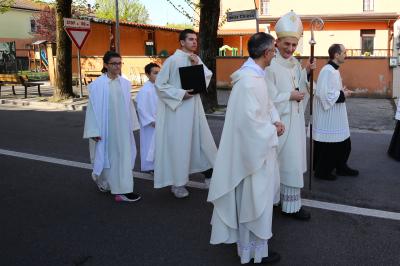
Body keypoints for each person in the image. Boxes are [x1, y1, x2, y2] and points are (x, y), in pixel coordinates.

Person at [208, 32, 283, 264]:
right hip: (252, 155)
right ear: (266, 53)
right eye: (274, 49)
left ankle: (255, 248)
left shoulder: (257, 77)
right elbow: (248, 125)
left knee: (258, 201)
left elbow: (267, 104)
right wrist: (273, 130)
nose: (275, 53)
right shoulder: (248, 82)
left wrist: (276, 119)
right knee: (254, 202)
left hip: (259, 150)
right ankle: (253, 252)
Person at [154, 29, 217, 198]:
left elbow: (207, 76)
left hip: (195, 109)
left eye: (195, 39)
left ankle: (210, 175)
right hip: (179, 112)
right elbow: (160, 85)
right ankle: (178, 184)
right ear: (182, 42)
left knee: (202, 143)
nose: (194, 42)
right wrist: (181, 94)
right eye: (190, 39)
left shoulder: (196, 59)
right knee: (180, 147)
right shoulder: (172, 61)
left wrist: (197, 63)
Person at [265, 11, 314, 220]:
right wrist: (289, 96)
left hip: (296, 119)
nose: (291, 49)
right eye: (287, 44)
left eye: (294, 45)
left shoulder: (294, 63)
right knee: (282, 162)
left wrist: (307, 73)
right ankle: (279, 201)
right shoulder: (269, 65)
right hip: (281, 121)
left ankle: (290, 203)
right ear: (277, 42)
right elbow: (267, 98)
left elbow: (300, 87)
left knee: (293, 161)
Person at [83, 51, 141, 202]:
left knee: (122, 157)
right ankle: (105, 182)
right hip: (105, 129)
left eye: (119, 63)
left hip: (122, 129)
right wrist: (93, 131)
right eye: (114, 63)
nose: (117, 66)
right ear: (105, 65)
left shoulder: (125, 83)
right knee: (105, 156)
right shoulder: (97, 85)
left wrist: (133, 125)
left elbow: (129, 106)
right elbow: (92, 109)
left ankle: (123, 189)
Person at [313, 44, 359, 180]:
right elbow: (323, 94)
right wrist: (342, 94)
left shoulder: (334, 70)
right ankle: (323, 172)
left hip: (336, 113)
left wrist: (342, 91)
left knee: (344, 143)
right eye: (344, 52)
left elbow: (331, 90)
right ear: (336, 55)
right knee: (331, 144)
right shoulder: (328, 71)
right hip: (329, 116)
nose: (346, 55)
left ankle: (341, 167)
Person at [136, 63, 160, 173]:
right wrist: (151, 121)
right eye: (155, 73)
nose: (158, 75)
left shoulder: (159, 87)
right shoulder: (145, 90)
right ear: (147, 74)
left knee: (159, 145)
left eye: (159, 73)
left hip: (160, 121)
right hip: (151, 124)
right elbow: (141, 108)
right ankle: (151, 168)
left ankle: (159, 165)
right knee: (149, 145)